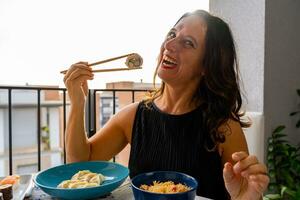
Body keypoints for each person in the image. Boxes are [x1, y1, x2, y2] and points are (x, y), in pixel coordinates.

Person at [63, 10, 269, 200]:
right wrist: (77, 103)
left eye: (188, 43)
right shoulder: (134, 116)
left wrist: (245, 196)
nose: (169, 45)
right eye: (172, 34)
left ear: (207, 65)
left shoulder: (223, 126)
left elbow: (243, 192)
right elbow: (81, 164)